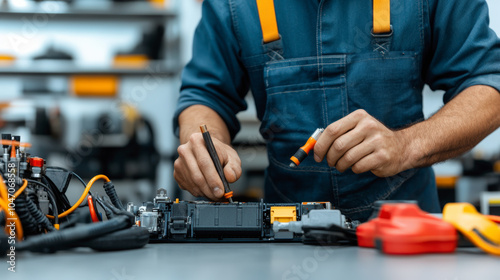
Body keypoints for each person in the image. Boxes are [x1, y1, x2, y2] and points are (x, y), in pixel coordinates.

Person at [173, 0, 500, 221]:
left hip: (404, 229)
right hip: (286, 233)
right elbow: (205, 95)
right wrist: (204, 146)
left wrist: (407, 146)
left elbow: (489, 86)